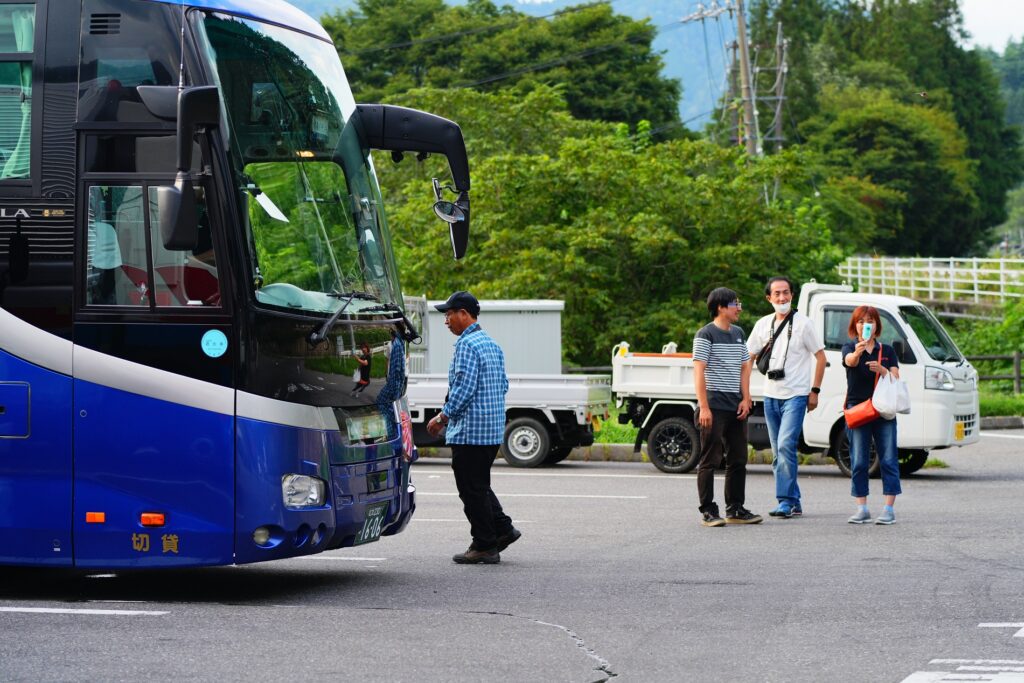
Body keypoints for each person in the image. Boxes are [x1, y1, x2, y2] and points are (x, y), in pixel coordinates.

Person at [425, 291, 519, 563]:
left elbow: (464, 389)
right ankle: (503, 529)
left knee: (470, 488)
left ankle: (485, 544)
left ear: (464, 314)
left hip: (470, 431)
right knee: (478, 484)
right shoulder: (491, 343)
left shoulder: (467, 346)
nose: (446, 321)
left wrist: (442, 418)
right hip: (490, 430)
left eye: (449, 314)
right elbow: (503, 385)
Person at [746, 277, 826, 519]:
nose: (782, 298)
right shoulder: (762, 324)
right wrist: (745, 392)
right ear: (768, 298)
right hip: (770, 396)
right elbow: (748, 358)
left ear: (792, 295)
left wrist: (815, 391)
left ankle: (785, 501)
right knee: (778, 451)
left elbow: (820, 357)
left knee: (785, 446)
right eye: (777, 294)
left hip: (797, 396)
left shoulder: (804, 324)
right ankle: (795, 500)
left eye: (786, 293)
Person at [693, 287, 762, 527]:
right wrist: (704, 407)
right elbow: (699, 371)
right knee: (710, 459)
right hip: (714, 404)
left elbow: (745, 367)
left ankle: (735, 508)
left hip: (736, 404)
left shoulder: (739, 333)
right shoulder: (706, 334)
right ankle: (709, 510)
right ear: (721, 307)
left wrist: (746, 397)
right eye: (735, 304)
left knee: (738, 458)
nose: (739, 308)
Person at [842, 306, 901, 525]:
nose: (865, 325)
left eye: (869, 321)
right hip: (859, 408)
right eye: (860, 321)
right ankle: (862, 508)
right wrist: (857, 352)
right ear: (854, 325)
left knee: (888, 458)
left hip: (884, 410)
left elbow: (896, 377)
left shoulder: (887, 351)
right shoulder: (849, 346)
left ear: (876, 325)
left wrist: (883, 371)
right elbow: (849, 361)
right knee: (858, 460)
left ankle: (888, 508)